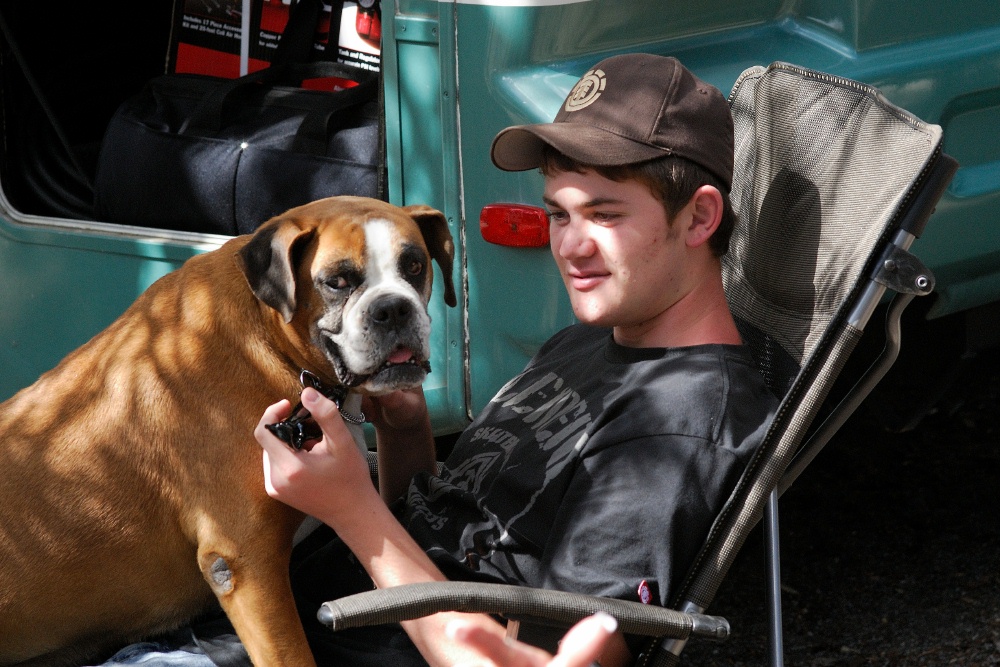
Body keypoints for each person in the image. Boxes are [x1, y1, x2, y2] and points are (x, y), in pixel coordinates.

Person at [99, 53, 778, 667]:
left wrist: (350, 506)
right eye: (558, 214)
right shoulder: (597, 337)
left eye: (603, 215)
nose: (569, 247)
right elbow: (447, 525)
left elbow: (533, 655)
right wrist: (399, 425)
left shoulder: (678, 422)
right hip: (280, 613)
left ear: (699, 218)